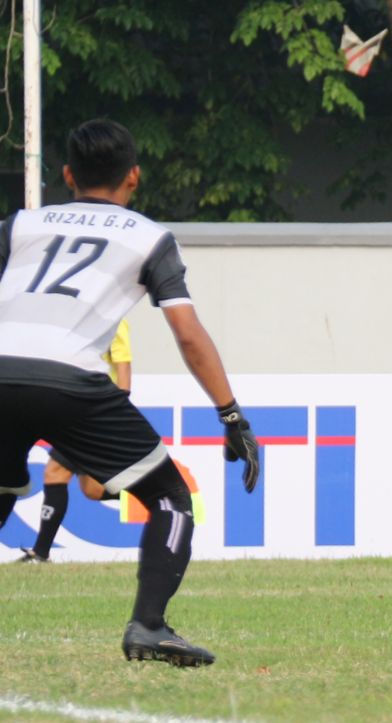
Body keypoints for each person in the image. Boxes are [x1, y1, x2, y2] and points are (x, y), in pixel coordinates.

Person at [0, 119, 261, 666]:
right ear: (134, 178)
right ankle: (148, 626)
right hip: (69, 378)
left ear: (67, 175)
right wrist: (231, 415)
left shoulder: (20, 224)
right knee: (169, 497)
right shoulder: (148, 237)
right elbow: (188, 334)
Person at [16, 319, 132, 563]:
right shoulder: (77, 320)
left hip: (97, 410)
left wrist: (118, 408)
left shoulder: (113, 320)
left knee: (54, 473)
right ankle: (154, 494)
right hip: (76, 406)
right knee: (92, 490)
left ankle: (40, 553)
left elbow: (123, 364)